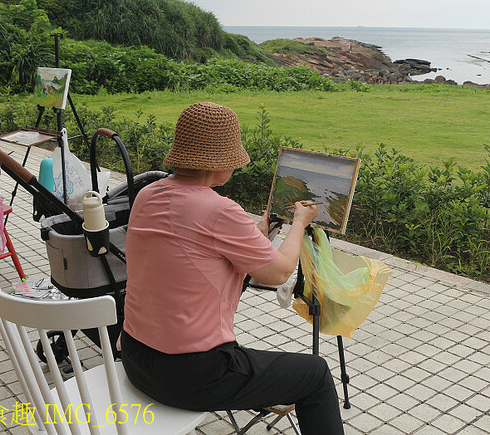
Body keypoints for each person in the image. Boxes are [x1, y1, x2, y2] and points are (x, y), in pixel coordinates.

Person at [121, 102, 345, 435]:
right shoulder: (220, 210)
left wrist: (258, 231)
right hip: (192, 374)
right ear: (219, 163)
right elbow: (279, 272)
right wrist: (300, 221)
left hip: (136, 358)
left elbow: (199, 250)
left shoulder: (147, 195)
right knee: (315, 374)